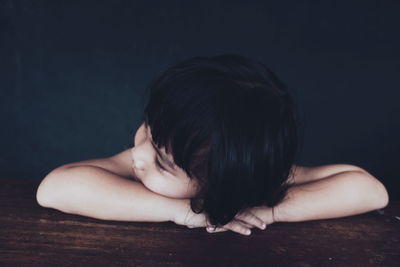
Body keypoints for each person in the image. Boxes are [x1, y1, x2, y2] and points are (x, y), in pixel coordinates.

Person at [36, 54, 389, 236]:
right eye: (147, 128)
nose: (139, 153)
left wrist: (271, 211)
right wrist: (183, 212)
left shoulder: (260, 181)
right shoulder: (137, 163)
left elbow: (371, 191)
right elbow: (54, 189)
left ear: (225, 182)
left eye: (163, 163)